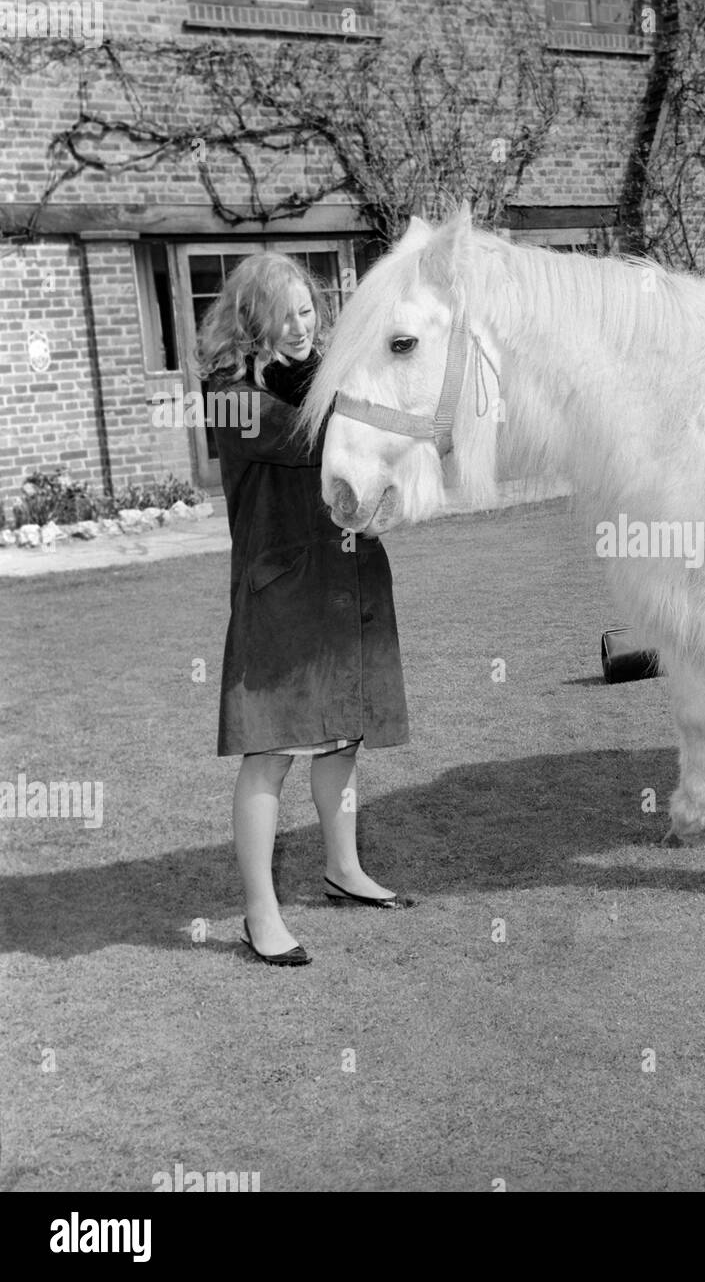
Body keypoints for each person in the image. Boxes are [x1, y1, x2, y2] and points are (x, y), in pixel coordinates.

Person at [194, 253, 409, 967]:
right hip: (281, 591)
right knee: (271, 751)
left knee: (342, 734)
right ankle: (261, 914)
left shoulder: (338, 380)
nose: (299, 326)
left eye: (309, 310)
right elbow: (310, 436)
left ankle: (342, 870)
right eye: (282, 313)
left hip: (346, 576)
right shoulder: (228, 394)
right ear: (251, 320)